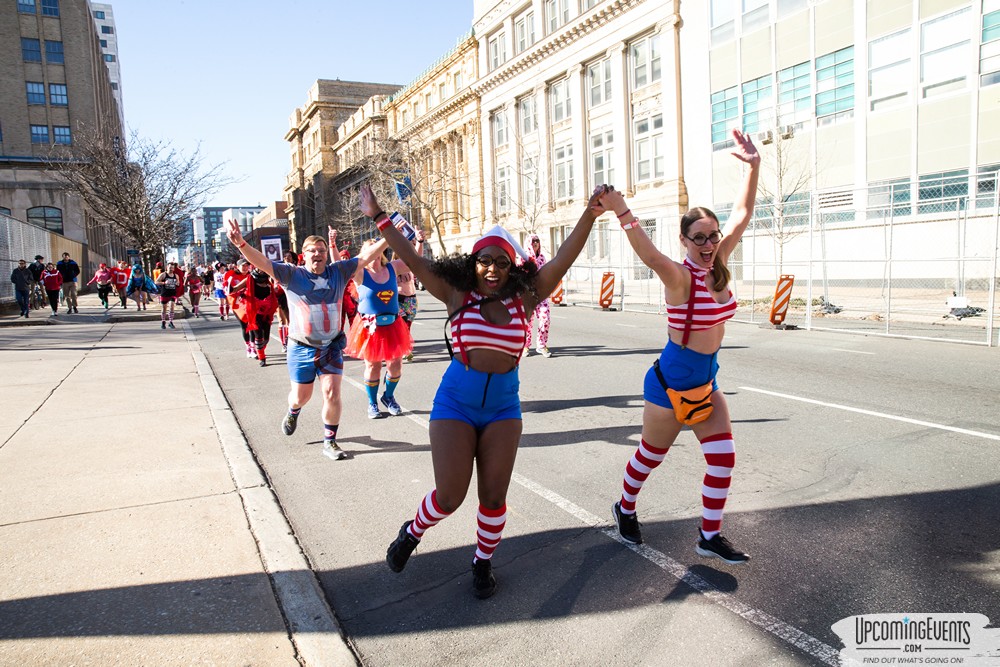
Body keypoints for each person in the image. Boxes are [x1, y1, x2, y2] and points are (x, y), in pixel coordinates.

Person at [361, 182, 603, 599]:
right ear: (472, 264)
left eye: (502, 263)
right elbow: (414, 259)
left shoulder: (524, 300)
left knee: (493, 497)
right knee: (450, 496)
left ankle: (482, 563)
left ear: (514, 268)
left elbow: (563, 260)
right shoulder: (456, 294)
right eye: (485, 261)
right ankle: (412, 532)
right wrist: (379, 216)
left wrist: (589, 214)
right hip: (456, 403)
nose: (492, 269)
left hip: (503, 408)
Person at [603, 128, 760, 565]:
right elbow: (649, 255)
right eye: (700, 238)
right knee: (650, 457)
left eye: (713, 236)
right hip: (669, 386)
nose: (709, 244)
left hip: (706, 384)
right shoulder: (679, 276)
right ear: (685, 241)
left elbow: (743, 213)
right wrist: (622, 211)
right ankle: (625, 506)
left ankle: (709, 535)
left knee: (723, 458)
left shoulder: (719, 263)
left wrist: (754, 167)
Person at [224, 218, 389, 462]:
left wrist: (389, 236)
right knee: (302, 396)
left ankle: (329, 441)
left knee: (332, 392)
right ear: (304, 255)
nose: (318, 254)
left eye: (322, 251)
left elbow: (365, 257)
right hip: (301, 346)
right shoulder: (291, 274)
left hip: (331, 345)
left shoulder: (339, 271)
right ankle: (293, 410)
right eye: (312, 251)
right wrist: (241, 245)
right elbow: (264, 263)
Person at [344, 236, 420, 419]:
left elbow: (413, 261)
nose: (375, 255)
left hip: (393, 324)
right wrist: (331, 244)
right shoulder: (360, 273)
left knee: (396, 365)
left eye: (377, 251)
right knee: (373, 365)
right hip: (370, 327)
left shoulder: (392, 268)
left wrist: (413, 241)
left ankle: (388, 396)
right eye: (371, 250)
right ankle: (372, 403)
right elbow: (340, 265)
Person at [230, 268, 279, 366]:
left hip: (266, 312)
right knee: (258, 335)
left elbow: (275, 291)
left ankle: (260, 349)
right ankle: (262, 358)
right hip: (254, 312)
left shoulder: (268, 281)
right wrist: (228, 284)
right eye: (258, 268)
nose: (260, 270)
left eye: (262, 268)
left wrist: (276, 288)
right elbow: (234, 289)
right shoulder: (250, 279)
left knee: (266, 338)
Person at [395, 235, 424, 362]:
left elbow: (417, 257)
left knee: (408, 326)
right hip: (399, 300)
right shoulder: (394, 268)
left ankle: (403, 348)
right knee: (403, 326)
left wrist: (420, 241)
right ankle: (405, 350)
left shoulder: (409, 266)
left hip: (411, 300)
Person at [523, 233, 552, 358]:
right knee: (527, 322)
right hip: (528, 295)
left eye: (537, 240)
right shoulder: (524, 258)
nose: (535, 243)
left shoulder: (542, 258)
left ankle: (541, 345)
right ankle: (525, 346)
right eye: (533, 241)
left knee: (545, 318)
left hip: (541, 294)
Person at [155, 260, 182, 329]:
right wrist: (164, 283)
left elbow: (178, 283)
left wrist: (177, 283)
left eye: (172, 268)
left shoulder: (176, 276)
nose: (171, 269)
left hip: (172, 293)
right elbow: (156, 282)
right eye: (170, 268)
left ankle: (171, 322)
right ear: (167, 267)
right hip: (164, 293)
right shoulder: (163, 274)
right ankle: (163, 321)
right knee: (164, 308)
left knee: (172, 306)